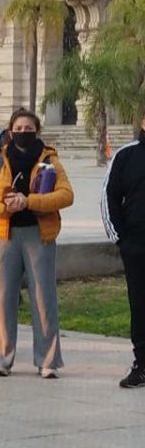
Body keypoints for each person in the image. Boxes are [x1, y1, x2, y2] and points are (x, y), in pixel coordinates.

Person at [0, 110, 73, 378]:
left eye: (29, 127)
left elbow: (66, 195)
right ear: (10, 131)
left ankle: (48, 361)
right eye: (19, 127)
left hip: (39, 235)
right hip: (5, 236)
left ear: (37, 130)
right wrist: (5, 207)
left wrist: (29, 202)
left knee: (44, 298)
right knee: (3, 299)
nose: (24, 131)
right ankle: (1, 360)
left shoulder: (50, 161)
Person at [102, 117, 145, 388]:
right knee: (140, 306)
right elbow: (109, 197)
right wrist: (121, 240)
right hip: (137, 246)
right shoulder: (126, 154)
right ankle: (142, 365)